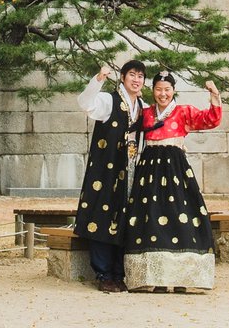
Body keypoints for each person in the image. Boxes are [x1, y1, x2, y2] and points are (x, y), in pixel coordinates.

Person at [122, 72, 221, 293]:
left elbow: (210, 120)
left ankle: (181, 278)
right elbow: (126, 128)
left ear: (173, 90)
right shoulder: (145, 112)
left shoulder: (183, 112)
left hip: (175, 170)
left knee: (181, 216)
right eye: (158, 89)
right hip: (149, 171)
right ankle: (152, 277)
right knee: (150, 217)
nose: (163, 94)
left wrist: (214, 96)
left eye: (167, 89)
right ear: (153, 90)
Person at [72, 59, 147, 292]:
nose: (136, 80)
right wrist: (98, 80)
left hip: (131, 170)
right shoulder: (109, 100)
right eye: (132, 75)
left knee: (124, 218)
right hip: (106, 170)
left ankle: (118, 272)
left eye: (140, 76)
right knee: (102, 215)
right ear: (123, 77)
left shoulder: (143, 106)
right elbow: (85, 103)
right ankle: (103, 273)